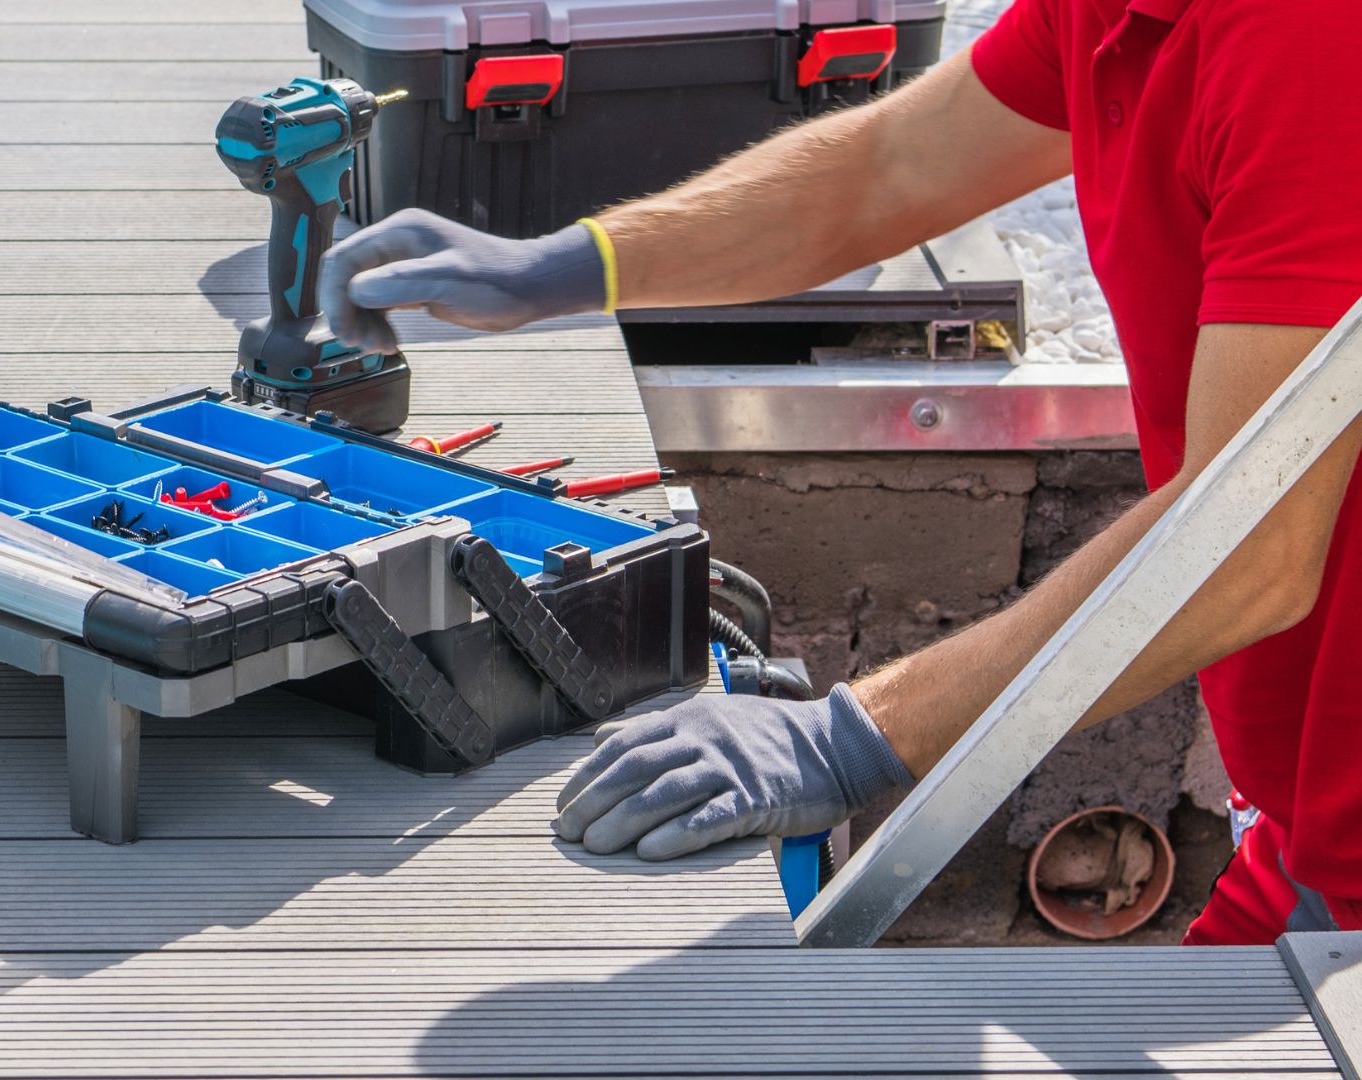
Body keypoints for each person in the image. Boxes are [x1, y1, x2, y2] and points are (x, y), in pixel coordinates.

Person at [316, 0, 1362, 945]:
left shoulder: (1313, 46)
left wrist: (847, 740)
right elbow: (887, 172)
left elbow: (1250, 545)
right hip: (1308, 838)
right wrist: (565, 266)